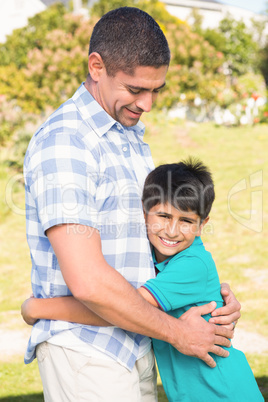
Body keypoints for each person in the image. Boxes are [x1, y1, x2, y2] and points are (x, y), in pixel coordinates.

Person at [23, 7, 240, 402]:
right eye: (136, 89)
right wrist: (179, 332)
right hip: (88, 350)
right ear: (96, 66)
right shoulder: (67, 141)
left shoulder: (127, 133)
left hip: (138, 342)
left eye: (155, 89)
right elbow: (88, 282)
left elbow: (144, 246)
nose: (147, 104)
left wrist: (211, 300)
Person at [22, 159, 263, 401]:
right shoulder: (155, 254)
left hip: (224, 392)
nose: (171, 230)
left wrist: (38, 307)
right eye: (164, 216)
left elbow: (123, 307)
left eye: (186, 221)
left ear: (202, 225)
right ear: (144, 211)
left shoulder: (192, 265)